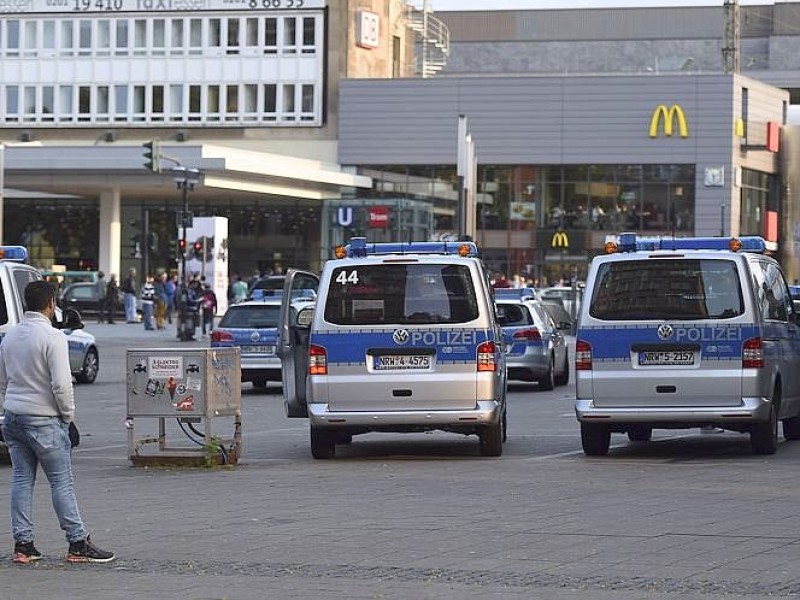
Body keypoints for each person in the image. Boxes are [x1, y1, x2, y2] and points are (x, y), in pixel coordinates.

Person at [0, 281, 114, 564]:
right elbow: (62, 384)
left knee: (21, 479)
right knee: (61, 482)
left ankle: (23, 545)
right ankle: (77, 542)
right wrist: (68, 416)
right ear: (50, 303)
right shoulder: (52, 337)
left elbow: (3, 380)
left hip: (13, 417)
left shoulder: (10, 337)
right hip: (44, 419)